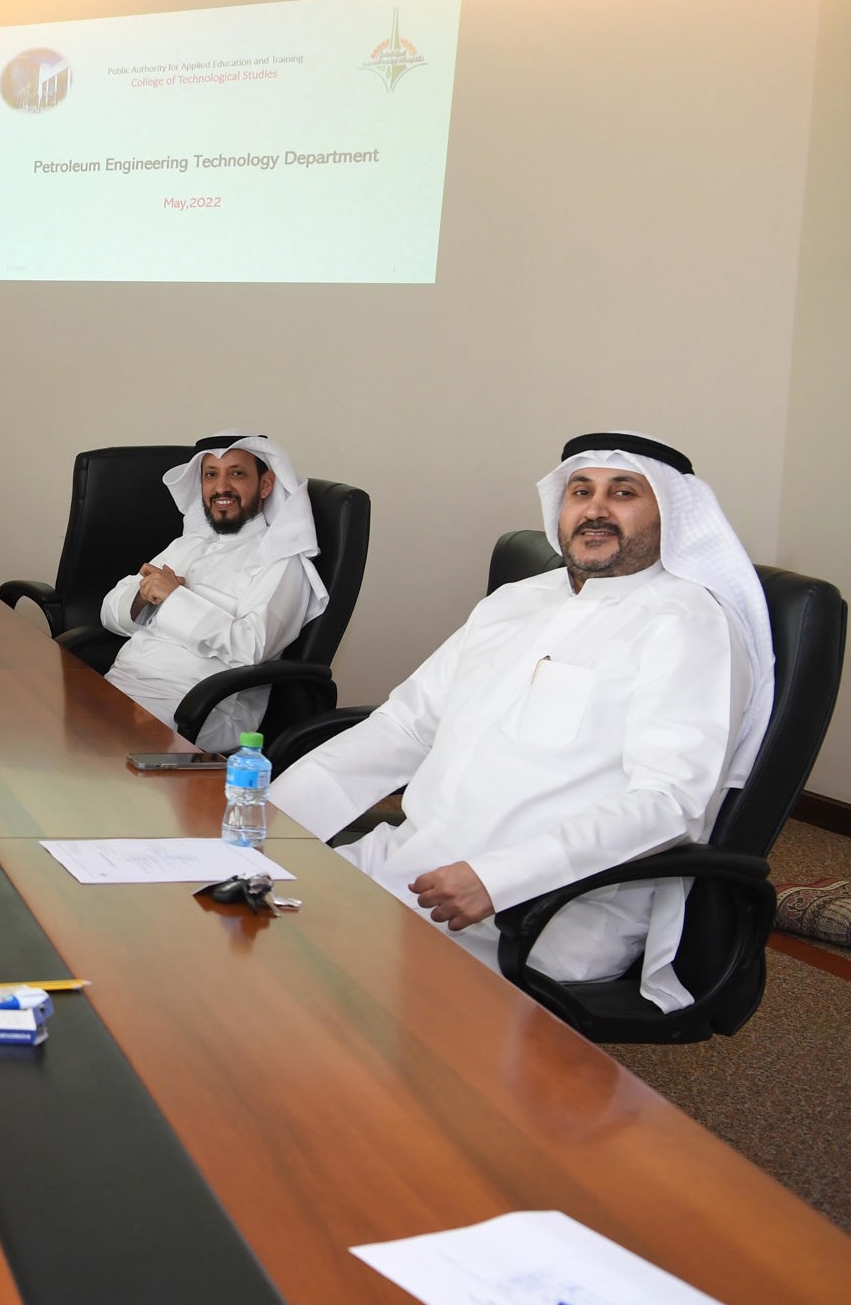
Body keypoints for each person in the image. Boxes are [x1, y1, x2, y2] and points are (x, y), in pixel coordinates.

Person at [269, 433, 774, 1011]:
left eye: (623, 493)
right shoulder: (515, 601)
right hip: (412, 859)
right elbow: (405, 726)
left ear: (670, 514)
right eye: (580, 491)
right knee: (232, 914)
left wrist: (498, 877)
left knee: (297, 990)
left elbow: (668, 802)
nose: (595, 509)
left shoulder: (687, 623)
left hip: (541, 910)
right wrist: (273, 817)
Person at [99, 432, 327, 752]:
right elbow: (109, 615)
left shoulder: (280, 560)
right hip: (120, 686)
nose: (221, 487)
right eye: (211, 475)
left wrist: (174, 599)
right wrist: (142, 596)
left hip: (195, 710)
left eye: (237, 473)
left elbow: (252, 647)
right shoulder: (188, 544)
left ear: (265, 485)